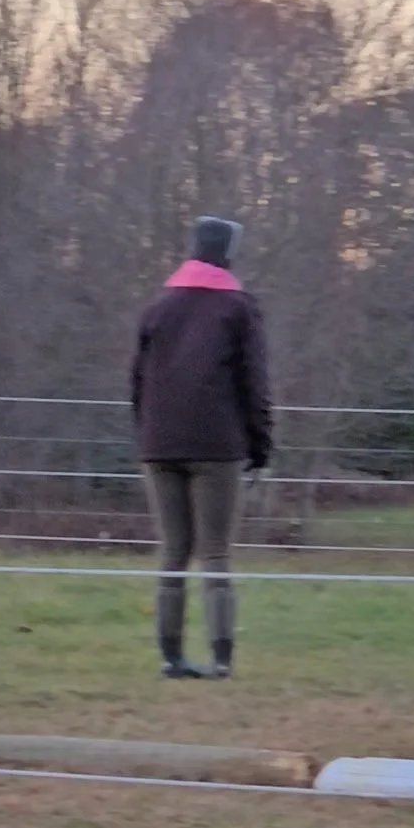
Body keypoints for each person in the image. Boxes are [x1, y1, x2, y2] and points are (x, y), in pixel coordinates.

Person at [129, 215, 274, 680]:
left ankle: (170, 656)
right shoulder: (238, 308)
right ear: (229, 251)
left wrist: (147, 432)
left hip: (159, 442)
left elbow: (136, 381)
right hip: (217, 444)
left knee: (173, 551)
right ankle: (221, 658)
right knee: (214, 552)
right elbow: (254, 384)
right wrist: (261, 445)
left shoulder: (158, 306)